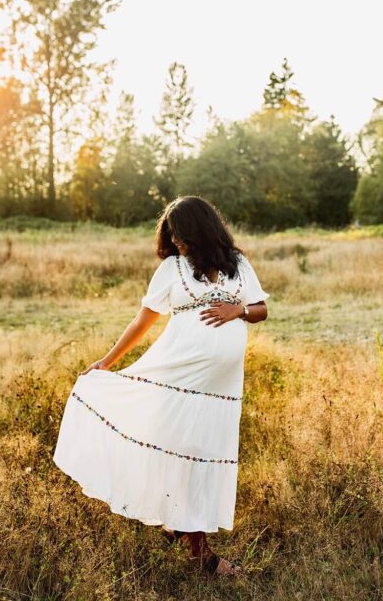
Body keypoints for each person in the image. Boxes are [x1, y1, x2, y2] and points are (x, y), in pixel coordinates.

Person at [52, 195, 270, 576]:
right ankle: (200, 554)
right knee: (184, 451)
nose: (178, 242)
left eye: (182, 235)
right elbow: (143, 320)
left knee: (201, 453)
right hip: (177, 376)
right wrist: (107, 361)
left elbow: (262, 310)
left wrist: (240, 310)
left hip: (219, 389)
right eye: (173, 236)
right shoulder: (172, 268)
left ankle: (179, 528)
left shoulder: (239, 265)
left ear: (201, 229)